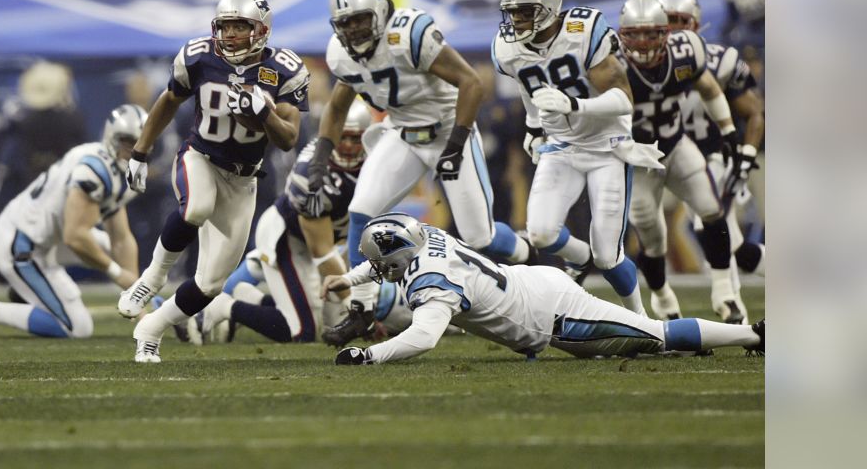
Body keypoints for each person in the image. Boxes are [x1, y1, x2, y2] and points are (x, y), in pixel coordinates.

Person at [316, 0, 533, 347]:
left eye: (360, 19)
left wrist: (456, 144)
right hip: (403, 133)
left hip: (450, 129)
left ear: (382, 12)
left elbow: (471, 83)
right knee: (362, 211)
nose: (353, 29)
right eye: (346, 22)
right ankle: (362, 311)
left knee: (481, 236)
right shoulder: (341, 53)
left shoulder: (408, 33)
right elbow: (337, 105)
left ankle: (531, 249)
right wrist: (321, 156)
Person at [118, 0, 309, 363]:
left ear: (261, 29)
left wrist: (264, 114)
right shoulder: (199, 55)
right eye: (226, 26)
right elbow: (168, 101)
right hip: (201, 157)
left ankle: (150, 329)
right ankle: (152, 278)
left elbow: (289, 138)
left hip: (245, 178)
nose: (232, 34)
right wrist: (141, 151)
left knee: (211, 284)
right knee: (196, 209)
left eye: (241, 26)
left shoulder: (284, 69)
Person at [325, 213, 764, 365]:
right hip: (537, 285)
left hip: (554, 318)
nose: (378, 270)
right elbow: (383, 263)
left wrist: (368, 355)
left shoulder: (430, 284)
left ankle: (755, 335)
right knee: (651, 343)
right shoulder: (429, 236)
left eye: (382, 265)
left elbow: (423, 338)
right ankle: (707, 342)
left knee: (658, 337)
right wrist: (351, 277)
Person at [492, 0, 660, 317]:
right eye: (512, 12)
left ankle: (641, 318)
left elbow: (624, 100)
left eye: (525, 11)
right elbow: (530, 88)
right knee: (539, 233)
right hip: (563, 146)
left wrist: (574, 105)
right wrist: (534, 128)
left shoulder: (581, 33)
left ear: (550, 8)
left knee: (608, 256)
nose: (517, 20)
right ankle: (579, 259)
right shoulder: (507, 48)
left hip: (606, 147)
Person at [0, 104, 148, 340]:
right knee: (77, 327)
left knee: (111, 248)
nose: (135, 149)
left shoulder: (114, 169)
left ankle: (28, 294)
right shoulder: (94, 170)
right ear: (112, 138)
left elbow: (121, 238)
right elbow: (75, 237)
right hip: (21, 244)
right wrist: (117, 274)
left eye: (141, 141)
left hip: (46, 237)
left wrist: (138, 304)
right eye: (127, 141)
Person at [189, 99, 375, 344]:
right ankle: (225, 307)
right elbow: (323, 253)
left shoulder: (375, 159)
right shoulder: (310, 174)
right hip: (287, 237)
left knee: (326, 317)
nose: (350, 146)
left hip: (323, 239)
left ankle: (249, 298)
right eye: (344, 136)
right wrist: (359, 306)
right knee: (302, 332)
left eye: (356, 138)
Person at [615, 0, 750, 324]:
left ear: (666, 33)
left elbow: (709, 88)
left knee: (711, 209)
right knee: (652, 236)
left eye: (652, 33)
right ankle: (663, 298)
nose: (644, 42)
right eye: (636, 33)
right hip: (636, 158)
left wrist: (729, 130)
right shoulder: (611, 63)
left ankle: (725, 294)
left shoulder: (683, 53)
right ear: (622, 35)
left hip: (675, 144)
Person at [659, 0, 766, 319]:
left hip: (716, 158)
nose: (675, 29)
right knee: (733, 246)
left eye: (681, 21)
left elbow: (754, 112)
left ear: (696, 24)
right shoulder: (647, 62)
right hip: (672, 160)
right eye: (668, 22)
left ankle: (736, 312)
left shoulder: (719, 59)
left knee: (712, 229)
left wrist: (746, 155)